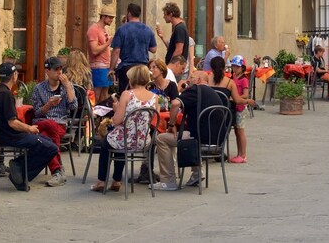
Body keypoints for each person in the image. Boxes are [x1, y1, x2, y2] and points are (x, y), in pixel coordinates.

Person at [0, 63, 59, 191]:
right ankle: (20, 171)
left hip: (0, 136)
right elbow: (12, 123)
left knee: (47, 141)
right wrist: (29, 128)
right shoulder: (6, 95)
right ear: (14, 76)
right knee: (51, 148)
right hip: (11, 137)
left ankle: (19, 168)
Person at [151, 71, 227, 191]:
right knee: (190, 132)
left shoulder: (195, 89)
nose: (188, 80)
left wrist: (171, 124)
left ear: (198, 80)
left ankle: (168, 180)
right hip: (217, 139)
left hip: (199, 138)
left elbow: (175, 103)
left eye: (191, 77)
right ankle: (197, 173)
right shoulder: (213, 92)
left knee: (161, 138)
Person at [91, 65, 158, 193]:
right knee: (118, 141)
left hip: (125, 138)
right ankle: (116, 180)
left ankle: (102, 181)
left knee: (107, 142)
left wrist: (117, 109)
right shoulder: (154, 98)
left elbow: (117, 121)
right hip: (143, 141)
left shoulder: (127, 94)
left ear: (132, 79)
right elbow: (154, 117)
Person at [30, 56, 77, 187]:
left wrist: (68, 86)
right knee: (48, 124)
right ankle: (58, 170)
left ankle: (57, 170)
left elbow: (74, 106)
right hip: (42, 122)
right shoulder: (39, 88)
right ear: (47, 71)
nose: (59, 72)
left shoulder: (66, 86)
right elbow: (37, 113)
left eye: (61, 69)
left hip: (59, 124)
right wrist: (49, 105)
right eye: (56, 69)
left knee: (45, 137)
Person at [110, 3, 156, 94]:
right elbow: (153, 49)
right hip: (143, 68)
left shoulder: (122, 30)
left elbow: (116, 51)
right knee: (142, 93)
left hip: (127, 68)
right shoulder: (148, 30)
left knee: (126, 94)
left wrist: (111, 68)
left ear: (129, 13)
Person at [228, 55, 254, 163]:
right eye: (233, 66)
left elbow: (246, 94)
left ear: (242, 68)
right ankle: (239, 154)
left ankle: (243, 155)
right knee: (237, 132)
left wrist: (235, 97)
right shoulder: (233, 78)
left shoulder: (244, 80)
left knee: (240, 131)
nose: (235, 68)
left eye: (237, 67)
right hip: (234, 107)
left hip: (241, 108)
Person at [87, 10, 114, 104]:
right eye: (110, 17)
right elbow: (94, 50)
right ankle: (93, 113)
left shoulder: (103, 29)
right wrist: (108, 43)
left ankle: (102, 113)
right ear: (103, 16)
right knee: (96, 96)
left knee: (104, 96)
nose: (112, 20)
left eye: (113, 18)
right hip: (98, 67)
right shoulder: (94, 29)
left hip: (106, 66)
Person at [155, 2, 189, 72]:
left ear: (170, 14)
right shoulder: (178, 28)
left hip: (175, 68)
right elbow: (172, 48)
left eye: (165, 14)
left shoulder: (179, 28)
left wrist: (170, 66)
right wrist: (162, 37)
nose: (164, 17)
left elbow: (179, 50)